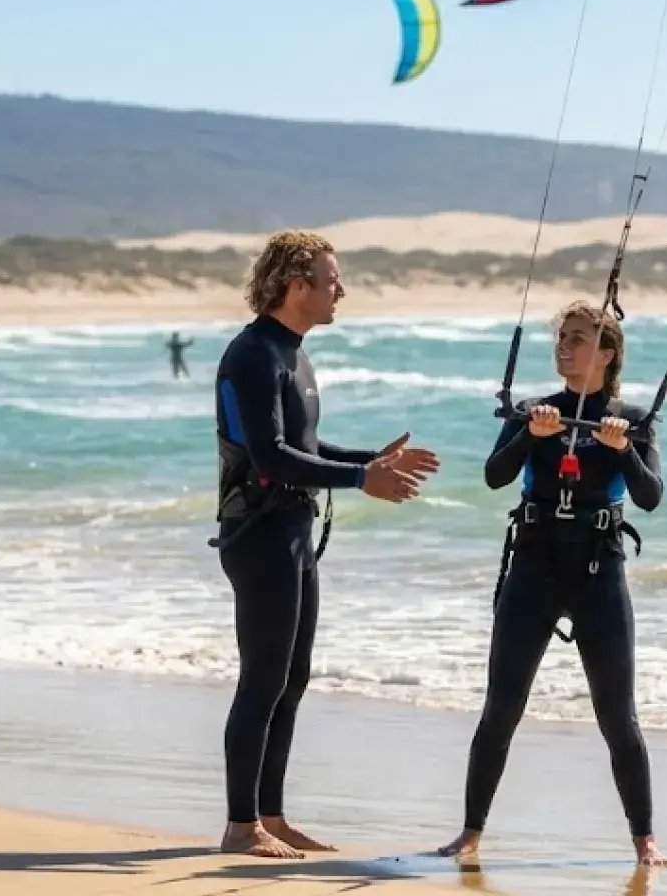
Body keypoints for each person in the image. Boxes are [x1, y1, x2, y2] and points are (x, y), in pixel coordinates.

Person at [212, 230, 440, 860]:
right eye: (331, 277)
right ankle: (239, 826)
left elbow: (304, 450)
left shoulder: (293, 353)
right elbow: (270, 456)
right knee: (263, 679)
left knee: (294, 676)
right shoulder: (254, 354)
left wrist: (371, 459)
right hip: (259, 534)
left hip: (291, 530)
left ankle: (271, 816)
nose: (341, 288)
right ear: (296, 285)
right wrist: (362, 478)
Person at [437, 299, 667, 868]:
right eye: (561, 338)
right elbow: (495, 477)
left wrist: (623, 451)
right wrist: (531, 437)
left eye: (578, 339)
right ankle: (470, 833)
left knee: (618, 716)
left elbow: (650, 496)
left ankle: (645, 841)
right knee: (502, 707)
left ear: (608, 353)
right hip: (534, 569)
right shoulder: (534, 410)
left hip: (599, 572)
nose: (564, 347)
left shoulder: (632, 420)